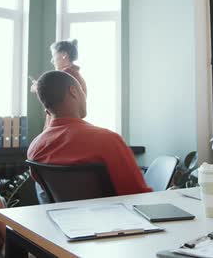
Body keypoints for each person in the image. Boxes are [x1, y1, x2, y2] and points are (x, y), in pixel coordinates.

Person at [27, 70, 151, 203]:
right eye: (82, 90)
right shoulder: (108, 140)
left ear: (47, 111)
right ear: (73, 91)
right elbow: (138, 197)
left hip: (64, 222)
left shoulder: (35, 148)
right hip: (115, 221)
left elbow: (45, 199)